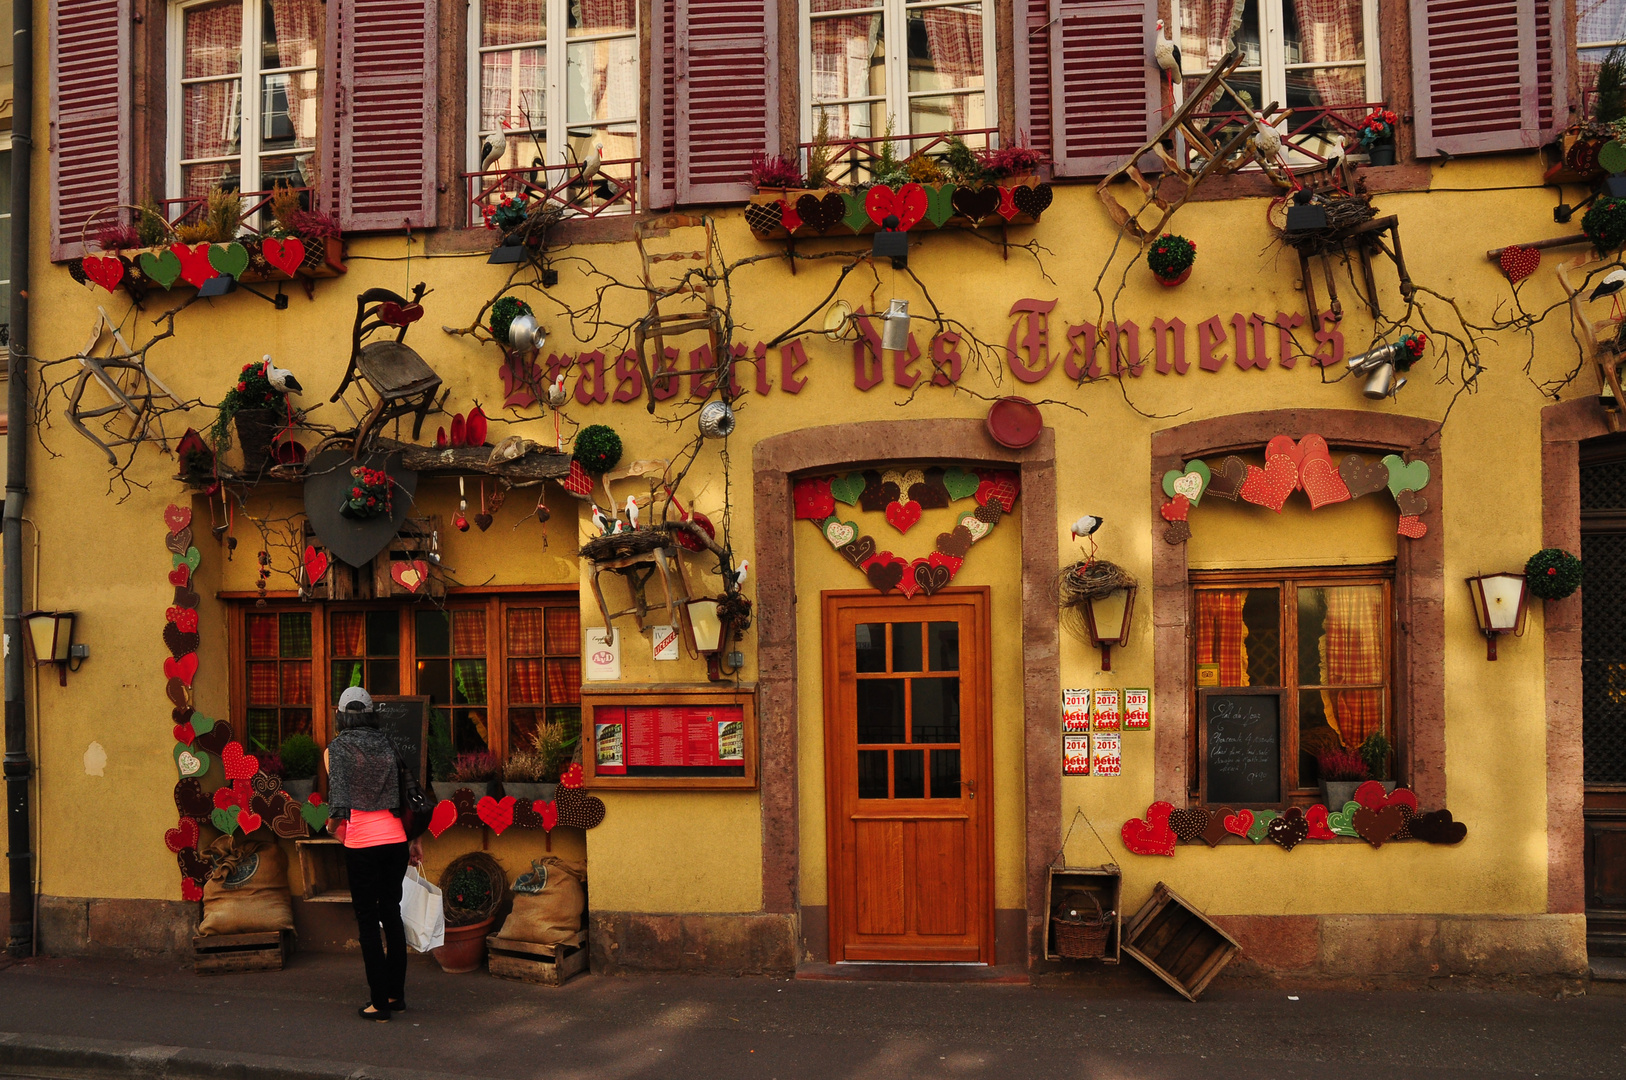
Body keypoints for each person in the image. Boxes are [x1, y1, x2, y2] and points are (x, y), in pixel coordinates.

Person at [325, 686, 422, 1021]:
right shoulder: (388, 744)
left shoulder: (336, 749)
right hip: (395, 839)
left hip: (362, 844)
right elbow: (405, 794)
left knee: (368, 921)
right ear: (370, 713)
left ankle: (378, 1003)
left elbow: (338, 803)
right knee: (391, 915)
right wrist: (413, 840)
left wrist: (332, 829)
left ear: (341, 713)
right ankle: (396, 996)